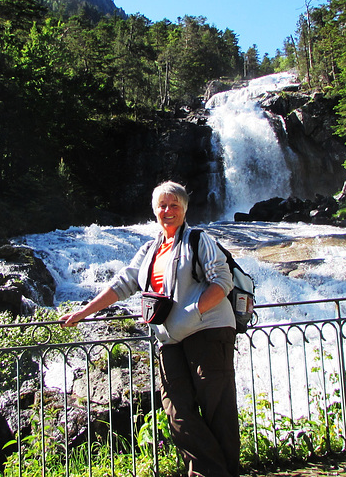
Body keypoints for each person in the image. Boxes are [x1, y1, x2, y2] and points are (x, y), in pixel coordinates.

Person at [59, 181, 240, 477]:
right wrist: (84, 312)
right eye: (162, 206)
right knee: (176, 410)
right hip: (169, 340)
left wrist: (194, 312)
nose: (167, 211)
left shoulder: (198, 240)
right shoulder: (150, 249)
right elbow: (122, 285)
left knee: (216, 409)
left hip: (208, 332)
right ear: (155, 211)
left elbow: (223, 281)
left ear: (184, 209)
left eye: (174, 205)